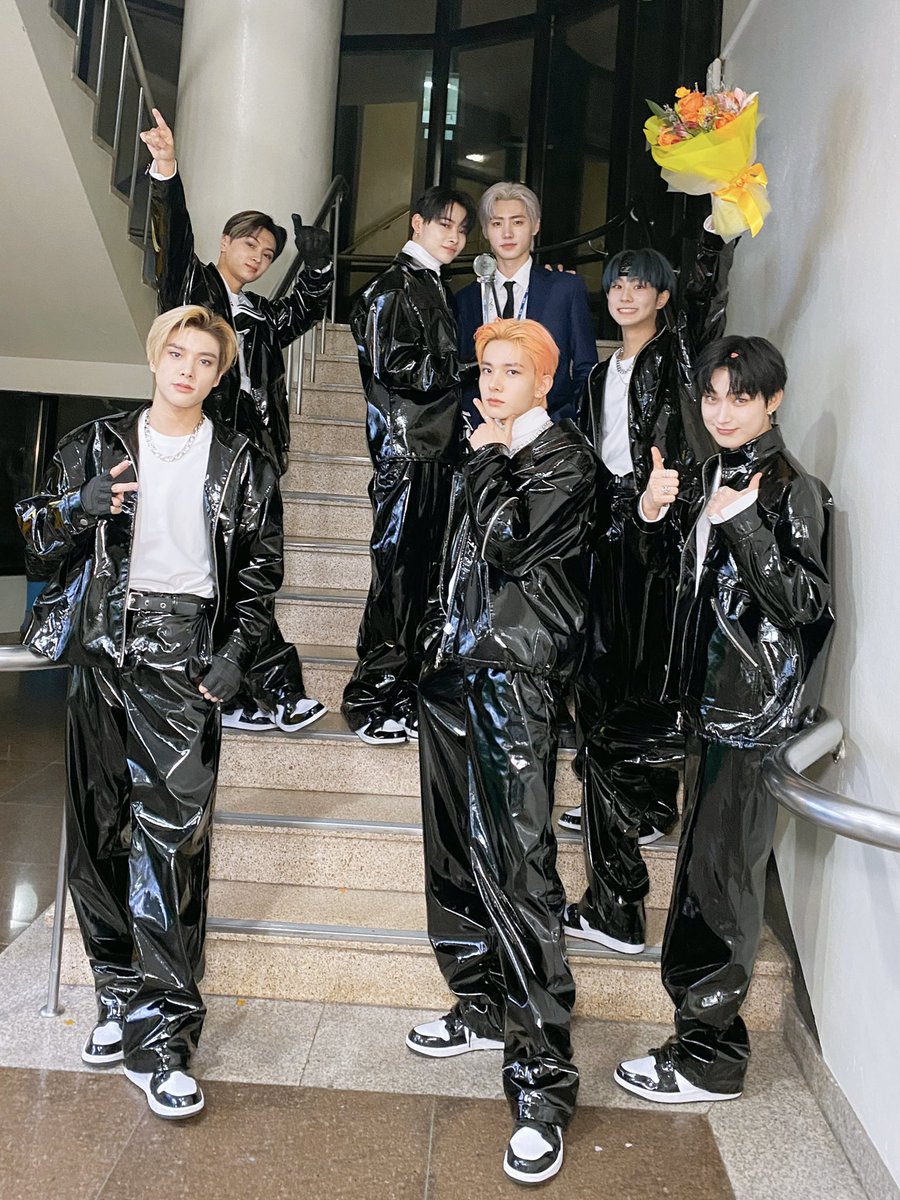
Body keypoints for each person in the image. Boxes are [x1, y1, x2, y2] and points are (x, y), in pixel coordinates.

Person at [17, 305, 283, 1119]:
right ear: (155, 357)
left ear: (219, 374)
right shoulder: (95, 444)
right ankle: (117, 992)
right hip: (103, 645)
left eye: (205, 360)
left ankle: (164, 1036)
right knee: (99, 832)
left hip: (185, 652)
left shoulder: (241, 461)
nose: (188, 370)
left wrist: (237, 653)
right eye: (177, 353)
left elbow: (260, 573)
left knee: (172, 845)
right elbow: (34, 538)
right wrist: (77, 507)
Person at [615, 335, 834, 1102]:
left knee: (724, 885)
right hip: (707, 707)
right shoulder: (713, 471)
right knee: (702, 878)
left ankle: (710, 1058)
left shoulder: (792, 490)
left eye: (740, 397)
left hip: (751, 716)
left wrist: (745, 525)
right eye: (712, 396)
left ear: (773, 400)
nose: (722, 411)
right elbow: (691, 583)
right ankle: (695, 1041)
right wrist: (653, 511)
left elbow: (807, 604)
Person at [406, 319, 599, 1185]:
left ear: (543, 382)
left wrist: (486, 460)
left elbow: (516, 542)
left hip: (516, 677)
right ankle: (480, 1003)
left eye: (512, 371)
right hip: (454, 670)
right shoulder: (482, 448)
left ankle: (542, 1085)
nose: (492, 382)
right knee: (453, 853)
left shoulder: (564, 459)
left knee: (520, 869)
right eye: (486, 368)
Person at [563, 228, 736, 956]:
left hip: (657, 527)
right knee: (603, 665)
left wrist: (715, 234)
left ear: (662, 297)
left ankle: (644, 807)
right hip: (606, 526)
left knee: (640, 668)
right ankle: (623, 794)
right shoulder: (599, 374)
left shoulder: (678, 357)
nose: (625, 293)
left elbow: (704, 299)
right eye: (616, 283)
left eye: (639, 283)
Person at [143, 108, 330, 734]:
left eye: (269, 253)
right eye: (250, 243)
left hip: (255, 454)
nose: (259, 256)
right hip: (205, 450)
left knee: (244, 567)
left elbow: (300, 314)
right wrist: (167, 170)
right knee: (227, 569)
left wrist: (317, 267)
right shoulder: (194, 290)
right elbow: (173, 242)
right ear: (225, 242)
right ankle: (276, 688)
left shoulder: (260, 314)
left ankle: (249, 695)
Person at [341, 186, 477, 744]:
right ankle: (369, 698)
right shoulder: (393, 287)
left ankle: (402, 693)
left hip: (432, 451)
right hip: (407, 453)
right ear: (416, 223)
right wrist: (470, 366)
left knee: (421, 579)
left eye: (462, 229)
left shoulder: (431, 285)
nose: (455, 237)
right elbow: (399, 367)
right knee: (398, 580)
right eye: (445, 224)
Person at [456, 181, 597, 423]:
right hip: (485, 429)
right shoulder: (466, 298)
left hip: (550, 425)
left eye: (517, 222)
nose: (507, 233)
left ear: (535, 225)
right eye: (497, 223)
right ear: (486, 230)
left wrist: (567, 421)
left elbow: (587, 368)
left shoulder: (565, 288)